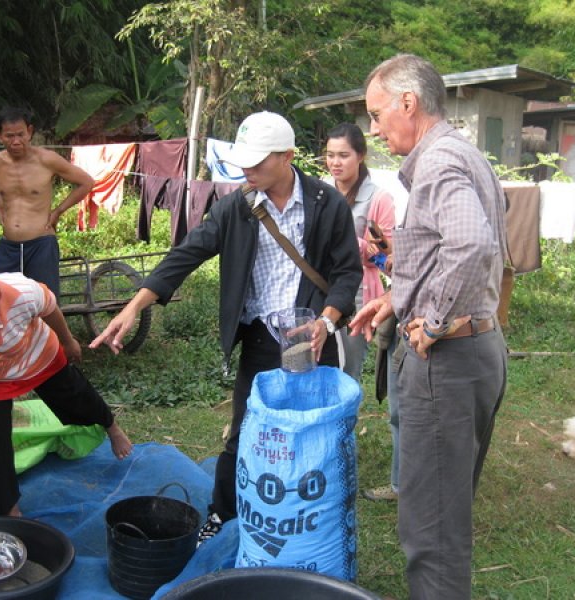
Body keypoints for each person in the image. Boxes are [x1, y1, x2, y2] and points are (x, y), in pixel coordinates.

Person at [90, 111, 362, 544]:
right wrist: (136, 303)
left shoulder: (326, 204)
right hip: (259, 338)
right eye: (244, 162)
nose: (246, 171)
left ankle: (309, 515)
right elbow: (189, 251)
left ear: (287, 156)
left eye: (257, 162)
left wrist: (327, 320)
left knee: (313, 432)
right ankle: (222, 513)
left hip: (311, 338)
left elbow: (347, 273)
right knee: (244, 432)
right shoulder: (239, 205)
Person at [349, 54, 508, 599]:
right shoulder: (465, 154)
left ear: (408, 104)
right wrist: (398, 298)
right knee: (446, 514)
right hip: (480, 347)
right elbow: (454, 248)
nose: (373, 127)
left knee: (433, 537)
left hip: (449, 363)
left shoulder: (439, 163)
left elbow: (471, 245)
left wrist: (432, 321)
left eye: (376, 113)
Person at [0, 247, 132, 517]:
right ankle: (8, 509)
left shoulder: (19, 291)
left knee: (77, 397)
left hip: (35, 353)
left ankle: (111, 427)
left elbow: (50, 307)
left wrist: (67, 341)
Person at [0, 106, 94, 300]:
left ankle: (51, 332)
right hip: (9, 246)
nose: (16, 141)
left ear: (30, 132)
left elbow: (86, 182)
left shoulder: (47, 160)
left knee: (45, 301)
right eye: (9, 136)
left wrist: (58, 211)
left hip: (41, 243)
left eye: (20, 134)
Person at [323, 122, 395, 381]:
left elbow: (384, 258)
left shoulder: (379, 199)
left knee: (347, 371)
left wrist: (345, 240)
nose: (335, 162)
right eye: (330, 155)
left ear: (361, 156)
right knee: (319, 365)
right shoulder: (321, 191)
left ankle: (344, 422)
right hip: (320, 287)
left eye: (344, 155)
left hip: (357, 295)